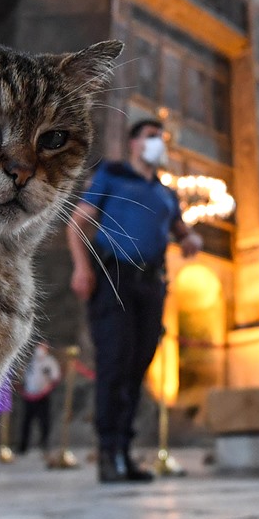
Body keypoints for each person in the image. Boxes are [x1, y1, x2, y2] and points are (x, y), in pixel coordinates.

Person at [67, 118, 201, 483]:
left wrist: (190, 240)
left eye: (162, 138)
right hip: (114, 279)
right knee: (114, 364)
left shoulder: (166, 194)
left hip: (151, 283)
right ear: (134, 144)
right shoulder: (111, 176)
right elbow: (79, 222)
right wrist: (82, 268)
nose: (158, 143)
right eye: (151, 137)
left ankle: (125, 452)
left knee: (138, 367)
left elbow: (181, 231)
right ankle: (108, 453)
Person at [18, 342, 61, 455]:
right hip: (29, 394)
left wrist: (46, 389)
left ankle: (44, 444)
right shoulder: (31, 361)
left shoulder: (50, 361)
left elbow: (55, 377)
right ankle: (23, 446)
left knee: (44, 421)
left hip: (43, 395)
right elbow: (25, 376)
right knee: (26, 422)